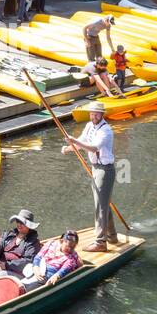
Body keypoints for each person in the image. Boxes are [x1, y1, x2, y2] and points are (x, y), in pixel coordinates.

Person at [63, 100, 117, 251]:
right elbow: (81, 142)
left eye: (96, 114)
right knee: (104, 203)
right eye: (91, 114)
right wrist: (69, 148)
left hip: (105, 170)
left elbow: (93, 148)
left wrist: (73, 140)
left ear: (101, 115)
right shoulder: (89, 126)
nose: (93, 116)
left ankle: (100, 242)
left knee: (100, 205)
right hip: (95, 168)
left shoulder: (106, 131)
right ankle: (112, 236)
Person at [0, 210, 44, 275]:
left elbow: (27, 261)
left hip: (14, 270)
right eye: (18, 221)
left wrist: (5, 266)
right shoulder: (8, 234)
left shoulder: (33, 242)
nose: (19, 224)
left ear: (29, 225)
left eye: (22, 223)